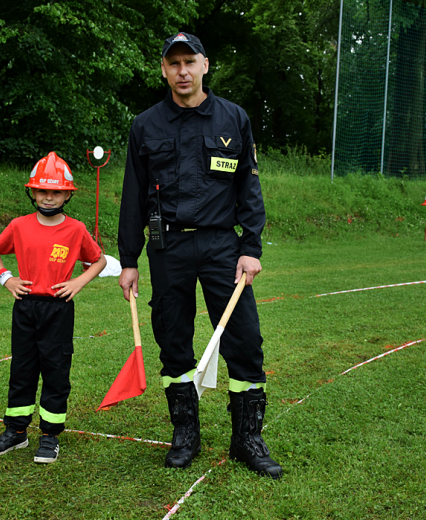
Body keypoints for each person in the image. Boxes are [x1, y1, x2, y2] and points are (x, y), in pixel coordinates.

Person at [117, 32, 282, 479]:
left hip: (221, 247)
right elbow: (132, 196)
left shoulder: (234, 118)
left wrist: (250, 248)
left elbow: (249, 186)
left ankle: (247, 439)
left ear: (205, 65)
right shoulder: (145, 126)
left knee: (244, 340)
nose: (182, 71)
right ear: (164, 70)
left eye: (190, 62)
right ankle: (185, 434)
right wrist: (129, 259)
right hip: (166, 247)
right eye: (174, 64)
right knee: (173, 340)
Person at [0, 151, 106, 463]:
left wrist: (79, 282)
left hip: (58, 309)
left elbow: (99, 260)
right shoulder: (19, 226)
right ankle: (16, 432)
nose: (48, 197)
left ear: (66, 195)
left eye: (55, 192)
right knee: (22, 368)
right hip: (25, 307)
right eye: (42, 191)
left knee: (55, 369)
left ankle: (50, 435)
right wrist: (6, 279)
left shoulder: (76, 229)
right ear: (32, 192)